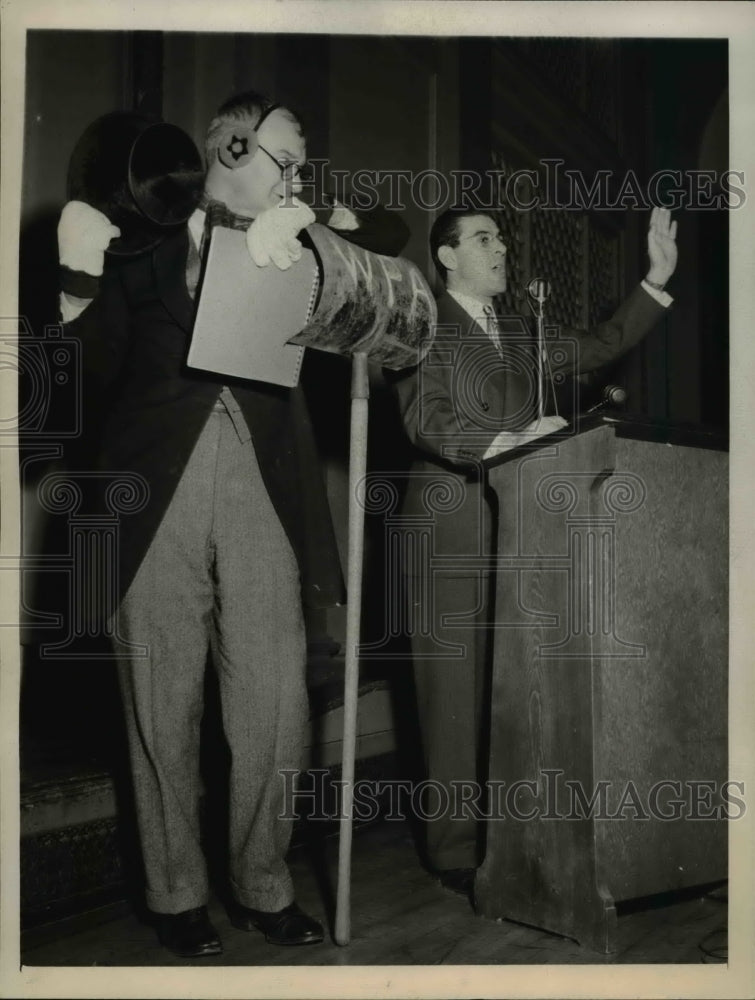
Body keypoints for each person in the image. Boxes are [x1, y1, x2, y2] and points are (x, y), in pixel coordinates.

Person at [56, 90, 409, 957]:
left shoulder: (302, 250)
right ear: (230, 149)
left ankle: (261, 883)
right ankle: (175, 893)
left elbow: (393, 234)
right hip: (150, 496)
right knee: (159, 703)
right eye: (284, 158)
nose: (298, 174)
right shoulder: (133, 244)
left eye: (302, 163)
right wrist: (74, 288)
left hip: (261, 489)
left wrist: (314, 218)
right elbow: (76, 378)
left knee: (275, 703)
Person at [392, 205, 678, 903]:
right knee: (454, 694)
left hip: (522, 527)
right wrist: (510, 445)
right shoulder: (420, 320)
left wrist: (656, 278)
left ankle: (510, 837)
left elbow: (601, 344)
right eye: (484, 238)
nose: (502, 248)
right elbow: (424, 417)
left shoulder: (523, 331)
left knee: (516, 685)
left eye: (501, 237)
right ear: (447, 256)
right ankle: (454, 849)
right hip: (450, 524)